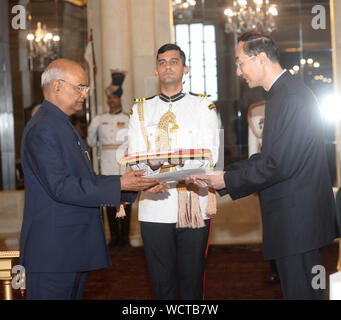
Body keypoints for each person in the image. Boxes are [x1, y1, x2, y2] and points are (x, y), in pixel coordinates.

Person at [188, 31, 338, 300]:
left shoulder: (288, 97)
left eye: (239, 62)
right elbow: (273, 156)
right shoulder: (286, 93)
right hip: (297, 219)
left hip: (296, 222)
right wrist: (225, 173)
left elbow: (277, 164)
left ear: (260, 58)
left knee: (302, 294)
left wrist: (226, 181)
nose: (238, 71)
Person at [19, 59, 166, 300]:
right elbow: (62, 187)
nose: (84, 94)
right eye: (79, 87)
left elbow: (85, 179)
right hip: (54, 253)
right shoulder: (44, 128)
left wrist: (137, 183)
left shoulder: (61, 125)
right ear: (57, 86)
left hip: (70, 249)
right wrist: (120, 184)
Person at [128, 43, 220, 299]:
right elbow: (135, 157)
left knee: (192, 282)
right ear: (156, 71)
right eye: (162, 62)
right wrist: (152, 166)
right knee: (161, 283)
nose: (167, 66)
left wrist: (162, 163)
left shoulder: (203, 106)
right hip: (154, 204)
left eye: (174, 61)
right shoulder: (140, 109)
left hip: (194, 204)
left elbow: (209, 155)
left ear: (185, 68)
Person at [87, 71, 132, 248]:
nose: (112, 101)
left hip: (124, 164)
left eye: (115, 98)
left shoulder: (128, 118)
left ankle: (125, 238)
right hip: (106, 165)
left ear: (120, 99)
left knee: (126, 201)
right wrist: (93, 128)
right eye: (110, 98)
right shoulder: (100, 119)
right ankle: (113, 237)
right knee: (109, 201)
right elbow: (91, 142)